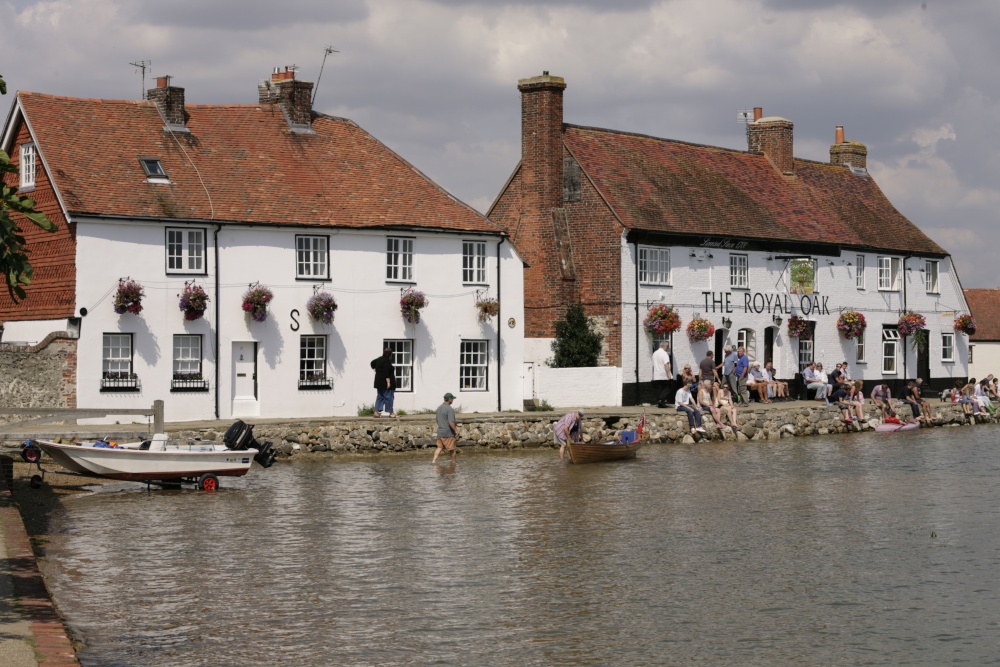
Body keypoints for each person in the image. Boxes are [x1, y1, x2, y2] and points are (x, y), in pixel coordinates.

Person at [432, 392, 459, 464]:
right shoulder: (449, 409)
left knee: (439, 447)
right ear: (449, 399)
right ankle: (454, 463)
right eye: (452, 399)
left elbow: (437, 420)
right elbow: (451, 422)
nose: (453, 400)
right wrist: (455, 430)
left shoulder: (439, 408)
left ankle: (433, 461)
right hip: (448, 433)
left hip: (440, 431)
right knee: (452, 449)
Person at [370, 347, 396, 418]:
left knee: (380, 397)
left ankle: (376, 412)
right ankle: (391, 413)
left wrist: (376, 369)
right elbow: (386, 371)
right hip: (385, 383)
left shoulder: (379, 359)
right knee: (389, 397)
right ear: (390, 354)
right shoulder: (387, 361)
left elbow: (372, 363)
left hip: (378, 382)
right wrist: (388, 382)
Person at [651, 341, 672, 408]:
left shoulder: (654, 353)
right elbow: (666, 364)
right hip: (664, 374)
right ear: (665, 346)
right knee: (669, 387)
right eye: (668, 347)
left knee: (660, 389)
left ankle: (661, 403)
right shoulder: (664, 353)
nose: (668, 348)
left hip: (656, 374)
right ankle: (660, 400)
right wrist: (668, 374)